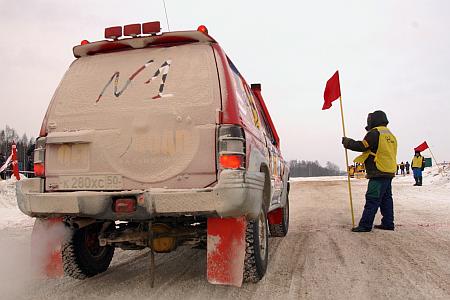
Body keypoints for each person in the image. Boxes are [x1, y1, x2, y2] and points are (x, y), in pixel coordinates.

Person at [342, 110, 397, 232]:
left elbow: (362, 146)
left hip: (378, 171)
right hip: (388, 171)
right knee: (386, 199)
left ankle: (365, 225)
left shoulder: (375, 133)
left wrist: (347, 142)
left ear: (374, 120)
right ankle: (388, 223)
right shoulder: (390, 135)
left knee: (372, 198)